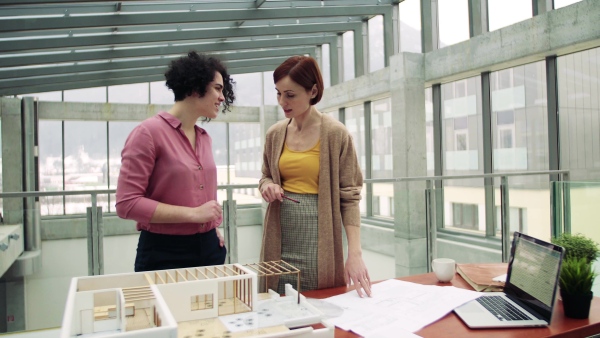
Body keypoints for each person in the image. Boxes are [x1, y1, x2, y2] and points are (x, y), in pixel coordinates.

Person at [259, 55, 372, 297]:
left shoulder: (336, 134)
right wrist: (267, 185)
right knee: (276, 300)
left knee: (320, 303)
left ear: (313, 91)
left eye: (290, 95)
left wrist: (355, 254)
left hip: (319, 235)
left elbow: (350, 196)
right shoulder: (275, 134)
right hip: (280, 233)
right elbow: (265, 176)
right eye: (278, 93)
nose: (282, 101)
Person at [115, 51, 235, 272]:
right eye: (218, 88)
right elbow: (126, 203)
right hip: (164, 253)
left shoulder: (204, 138)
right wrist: (194, 215)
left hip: (209, 247)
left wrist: (208, 227)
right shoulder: (147, 133)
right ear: (195, 86)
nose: (222, 97)